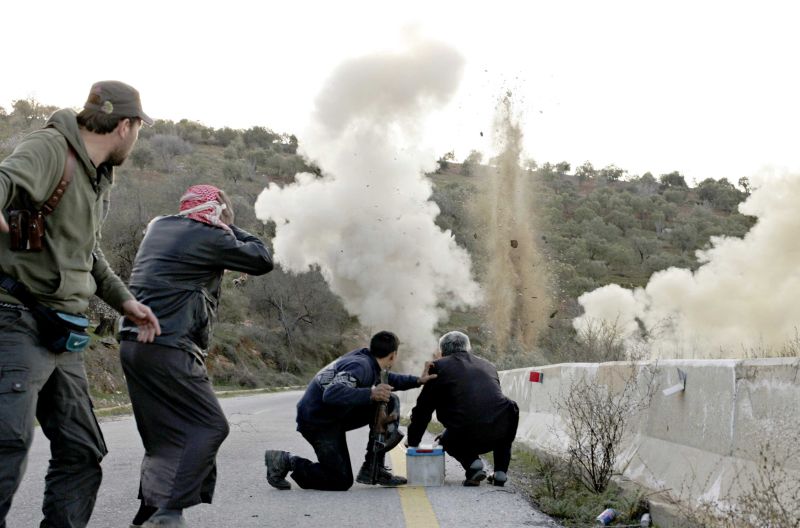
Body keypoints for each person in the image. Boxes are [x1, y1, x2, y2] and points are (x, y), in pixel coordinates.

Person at [0, 80, 160, 528]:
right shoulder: (51, 148)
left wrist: (126, 301)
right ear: (125, 126)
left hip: (63, 329)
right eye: (139, 128)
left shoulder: (96, 175)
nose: (137, 136)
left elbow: (86, 253)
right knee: (6, 445)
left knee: (81, 449)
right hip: (15, 319)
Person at [118, 184, 273, 528]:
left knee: (162, 439)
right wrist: (229, 223)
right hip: (169, 345)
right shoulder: (211, 236)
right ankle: (169, 513)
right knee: (210, 426)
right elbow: (262, 259)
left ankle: (145, 516)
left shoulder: (160, 225)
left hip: (133, 345)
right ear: (217, 211)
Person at [264, 331, 436, 491]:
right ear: (393, 356)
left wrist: (418, 381)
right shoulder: (361, 366)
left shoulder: (367, 360)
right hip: (317, 422)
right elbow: (332, 393)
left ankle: (373, 469)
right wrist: (370, 393)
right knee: (339, 480)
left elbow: (388, 379)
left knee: (388, 399)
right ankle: (285, 461)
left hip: (331, 415)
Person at [407, 331, 519, 487]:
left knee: (445, 439)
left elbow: (423, 409)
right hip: (499, 432)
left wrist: (413, 441)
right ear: (468, 348)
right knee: (503, 413)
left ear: (443, 351)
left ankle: (473, 463)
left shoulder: (438, 366)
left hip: (468, 433)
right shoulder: (488, 365)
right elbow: (489, 403)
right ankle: (500, 472)